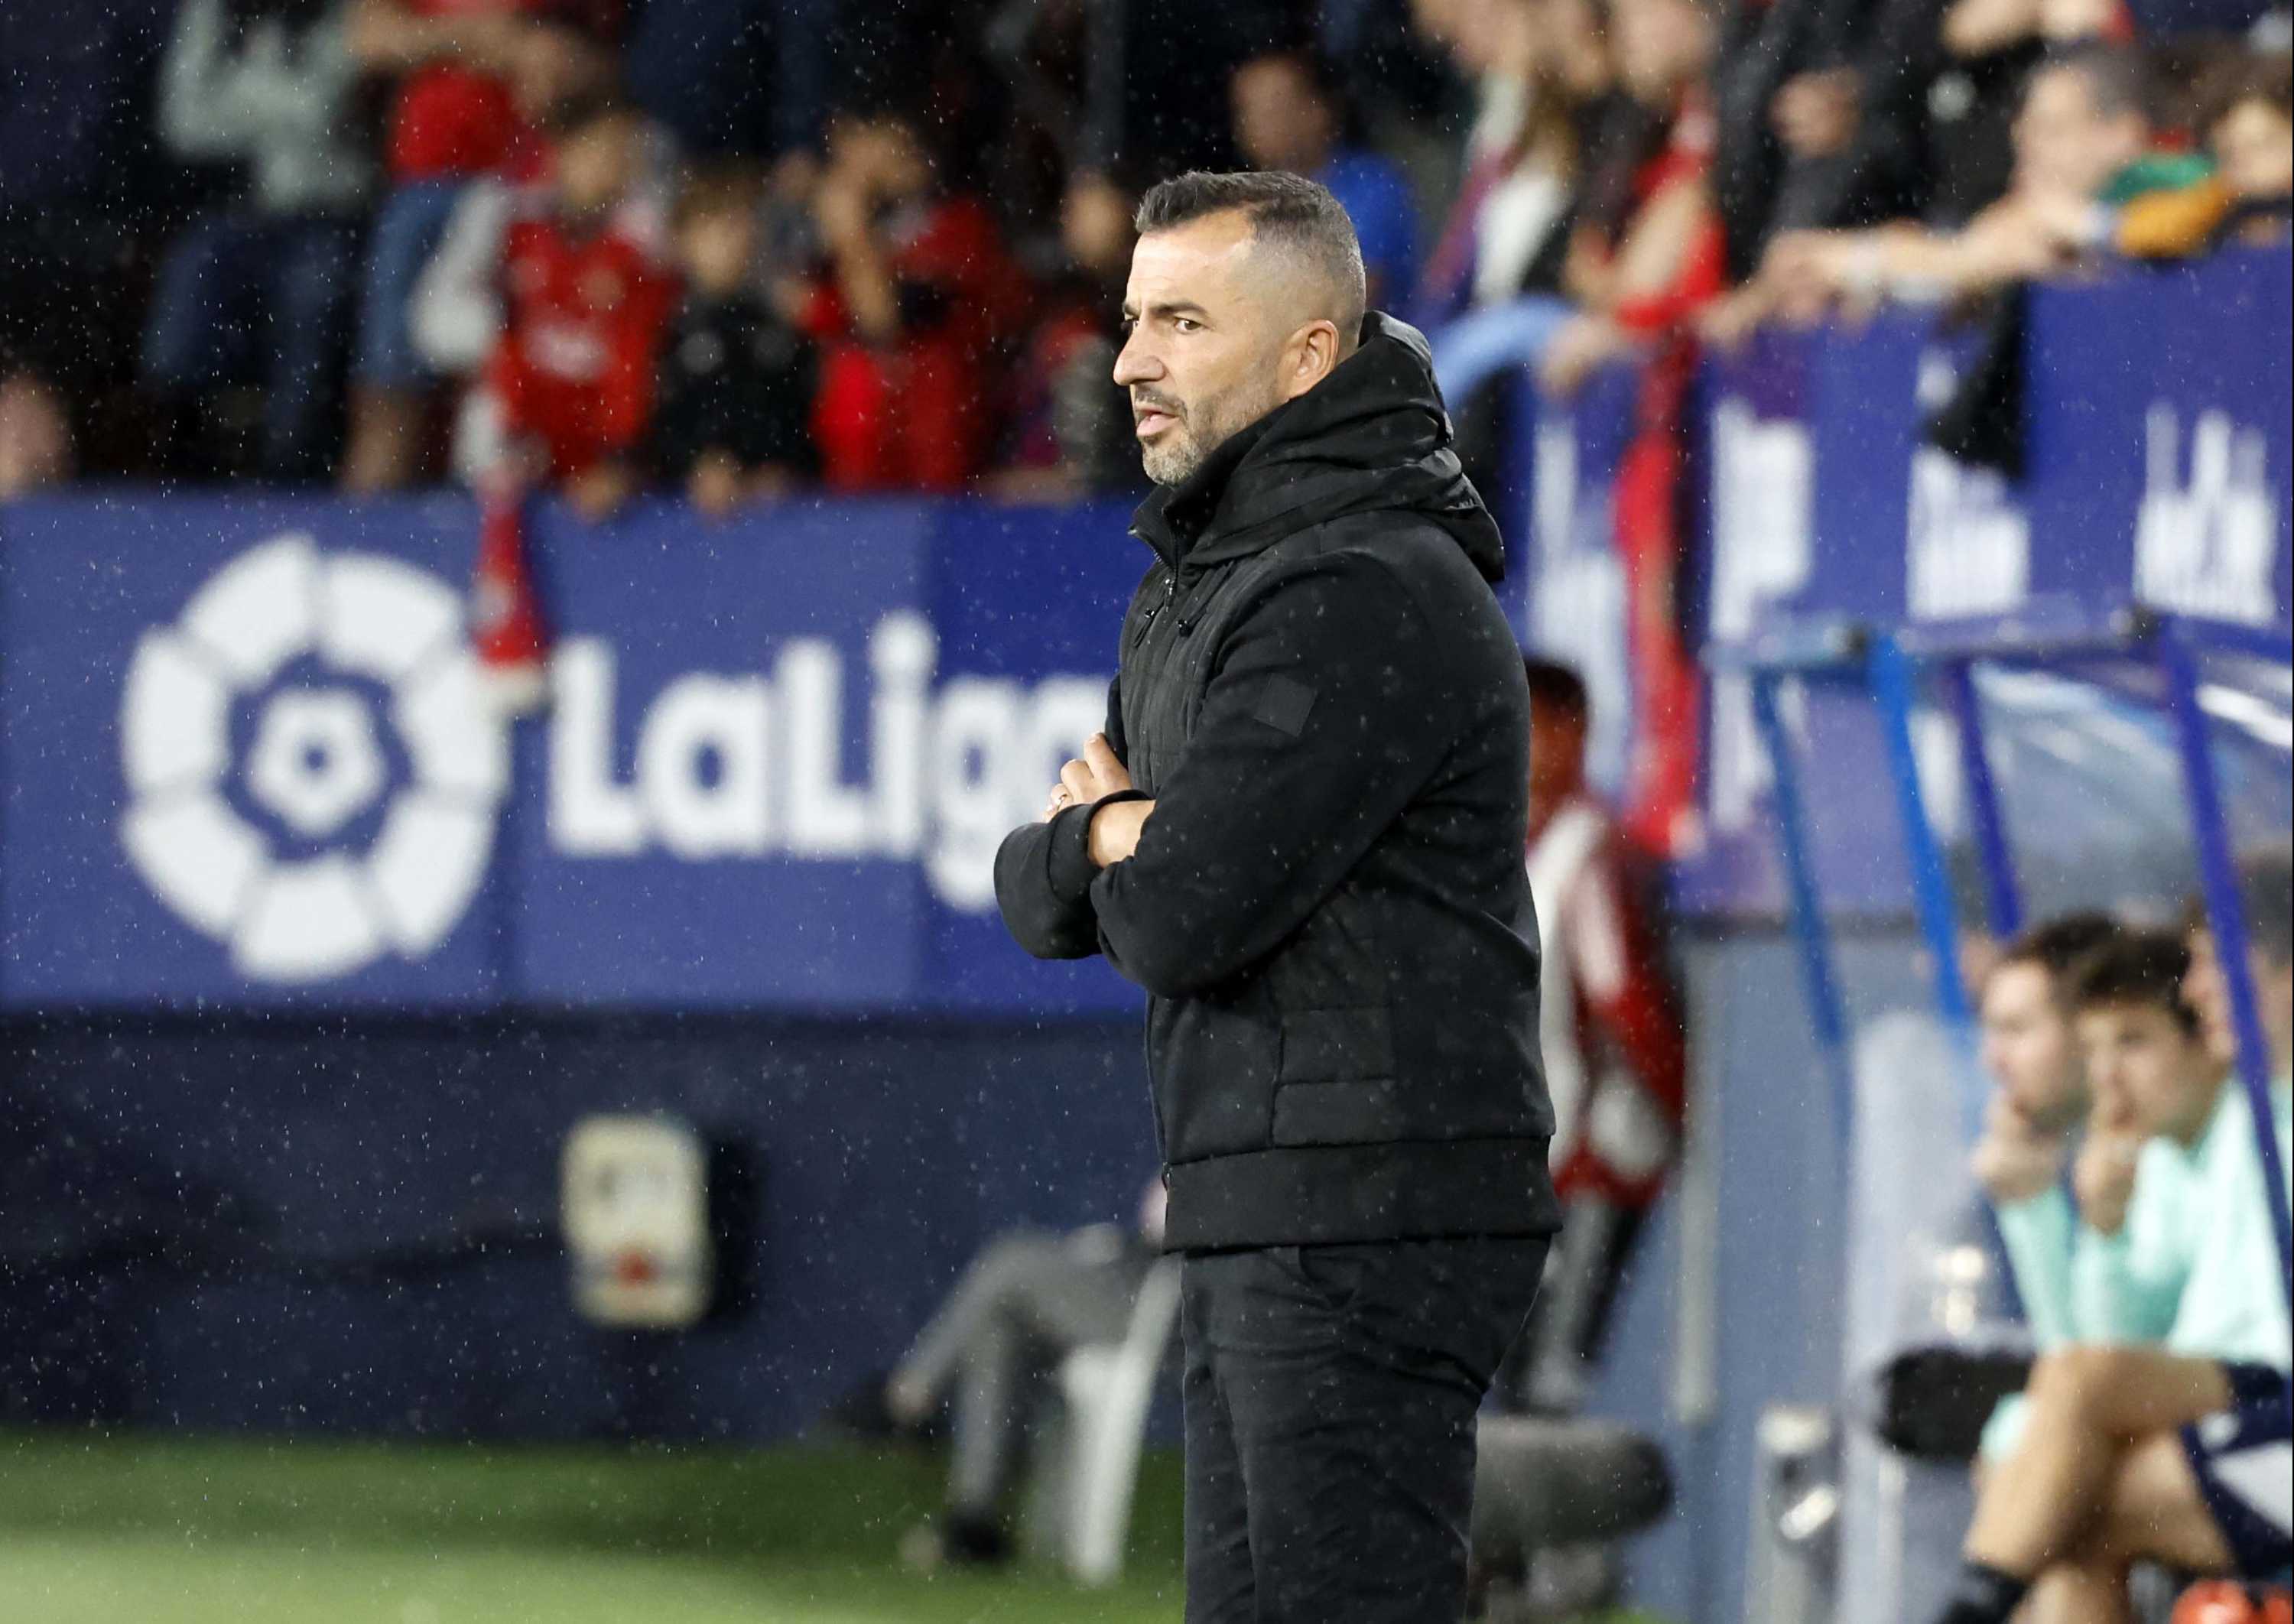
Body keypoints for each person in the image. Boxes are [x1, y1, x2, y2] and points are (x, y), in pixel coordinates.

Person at [993, 170, 1557, 1624]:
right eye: (1134, 319)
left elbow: (1179, 916)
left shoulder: (1357, 587)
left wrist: (1110, 837)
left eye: (1183, 322)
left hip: (1367, 1203)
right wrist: (1113, 837)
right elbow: (1040, 893)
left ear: (1310, 354)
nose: (1131, 360)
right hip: (1270, 1191)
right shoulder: (1206, 578)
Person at [1931, 924, 2292, 1624]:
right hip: (2240, 1393)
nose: (2106, 1075)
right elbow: (2102, 1340)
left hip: (2267, 1396)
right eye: (2093, 1048)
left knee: (2068, 1500)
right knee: (2053, 1480)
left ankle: (1968, 1610)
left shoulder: (2239, 1121)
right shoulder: (2181, 1147)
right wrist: (2074, 1220)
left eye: (2132, 1042)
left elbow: (2097, 1359)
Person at [340, 0, 618, 492]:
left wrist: (542, 54)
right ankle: (368, 529)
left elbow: (608, 53)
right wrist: (477, 38)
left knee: (536, 376)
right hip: (427, 185)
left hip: (539, 188)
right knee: (390, 387)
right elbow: (368, 40)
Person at [1511, 658, 1688, 1416]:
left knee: (1555, 1377)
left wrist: (1651, 1123)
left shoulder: (1587, 854)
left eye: (1529, 724)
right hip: (1524, 1157)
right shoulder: (1516, 846)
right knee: (1512, 1375)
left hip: (1586, 1162)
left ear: (1569, 731)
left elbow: (1628, 1003)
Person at [831, 1181, 1168, 1570]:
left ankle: (907, 1398)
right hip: (1138, 1268)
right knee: (998, 1332)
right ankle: (976, 1520)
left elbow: (1175, 1218)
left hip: (1169, 1290)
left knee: (1010, 1264)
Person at [140, 0, 372, 484]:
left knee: (314, 297)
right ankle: (186, 470)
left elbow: (323, 108)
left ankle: (289, 472)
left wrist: (232, 92)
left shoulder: (340, 11)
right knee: (190, 288)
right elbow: (181, 123)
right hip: (242, 214)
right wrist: (283, 101)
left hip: (333, 216)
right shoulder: (215, 10)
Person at [800, 99, 1028, 492]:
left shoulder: (960, 226)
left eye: (864, 138)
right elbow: (812, 317)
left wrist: (851, 231)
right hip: (854, 480)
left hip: (939, 471)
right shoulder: (821, 240)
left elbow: (881, 319)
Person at [1968, 910, 2124, 1429]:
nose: (1993, 1060)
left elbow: (2089, 1388)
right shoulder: (2039, 1170)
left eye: (2016, 1030)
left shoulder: (2160, 1167)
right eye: (1990, 1032)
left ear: (2089, 1032)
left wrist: (2032, 1207)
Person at [648, 163, 817, 515]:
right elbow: (655, 421)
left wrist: (780, 466)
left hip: (772, 507)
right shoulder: (663, 324)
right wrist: (697, 463)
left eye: (742, 225)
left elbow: (798, 413)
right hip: (677, 510)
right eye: (719, 227)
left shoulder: (781, 327)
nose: (735, 240)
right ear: (683, 239)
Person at [1229, 47, 1421, 307]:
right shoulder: (1246, 202)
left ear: (1320, 110)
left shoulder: (1372, 185)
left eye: (1277, 109)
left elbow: (1352, 302)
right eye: (1248, 111)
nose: (1259, 123)